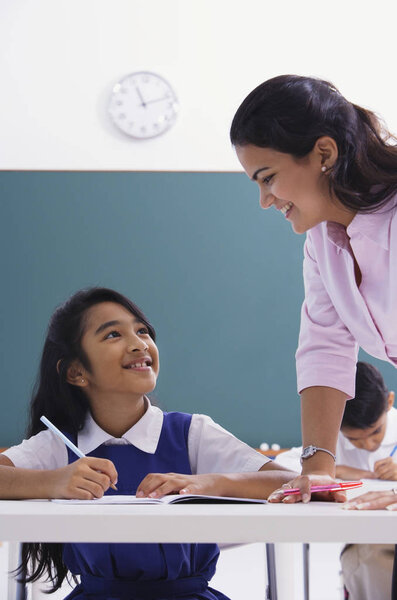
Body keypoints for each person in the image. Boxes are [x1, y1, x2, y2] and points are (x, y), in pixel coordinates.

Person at [1, 287, 295, 600]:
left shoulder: (191, 433)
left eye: (143, 331)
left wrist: (206, 482)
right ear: (76, 372)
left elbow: (289, 482)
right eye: (113, 334)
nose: (140, 343)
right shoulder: (60, 445)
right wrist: (53, 482)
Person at [229, 74, 397, 507]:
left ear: (324, 152)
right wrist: (318, 470)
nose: (265, 199)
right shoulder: (322, 243)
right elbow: (325, 347)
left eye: (267, 178)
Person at [275, 361, 396, 600]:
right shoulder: (331, 442)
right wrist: (336, 469)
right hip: (367, 543)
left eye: (375, 433)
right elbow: (280, 464)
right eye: (355, 440)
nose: (369, 446)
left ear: (389, 403)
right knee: (369, 561)